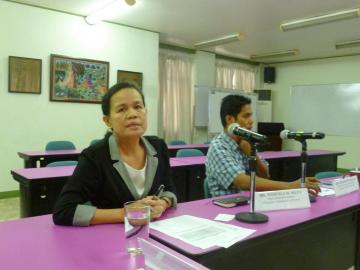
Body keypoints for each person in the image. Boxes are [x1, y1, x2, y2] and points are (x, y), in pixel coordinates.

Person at [53, 82, 177, 226]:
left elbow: (169, 189)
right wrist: (126, 212)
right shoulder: (94, 156)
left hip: (156, 234)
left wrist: (163, 203)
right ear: (108, 121)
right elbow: (63, 211)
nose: (133, 114)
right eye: (122, 109)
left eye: (138, 107)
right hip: (110, 240)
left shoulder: (159, 147)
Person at [205, 94, 320, 197]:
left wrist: (252, 154)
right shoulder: (218, 147)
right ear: (230, 119)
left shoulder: (246, 141)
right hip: (227, 208)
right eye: (246, 116)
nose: (251, 121)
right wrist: (289, 186)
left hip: (250, 202)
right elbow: (242, 182)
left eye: (251, 116)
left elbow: (265, 175)